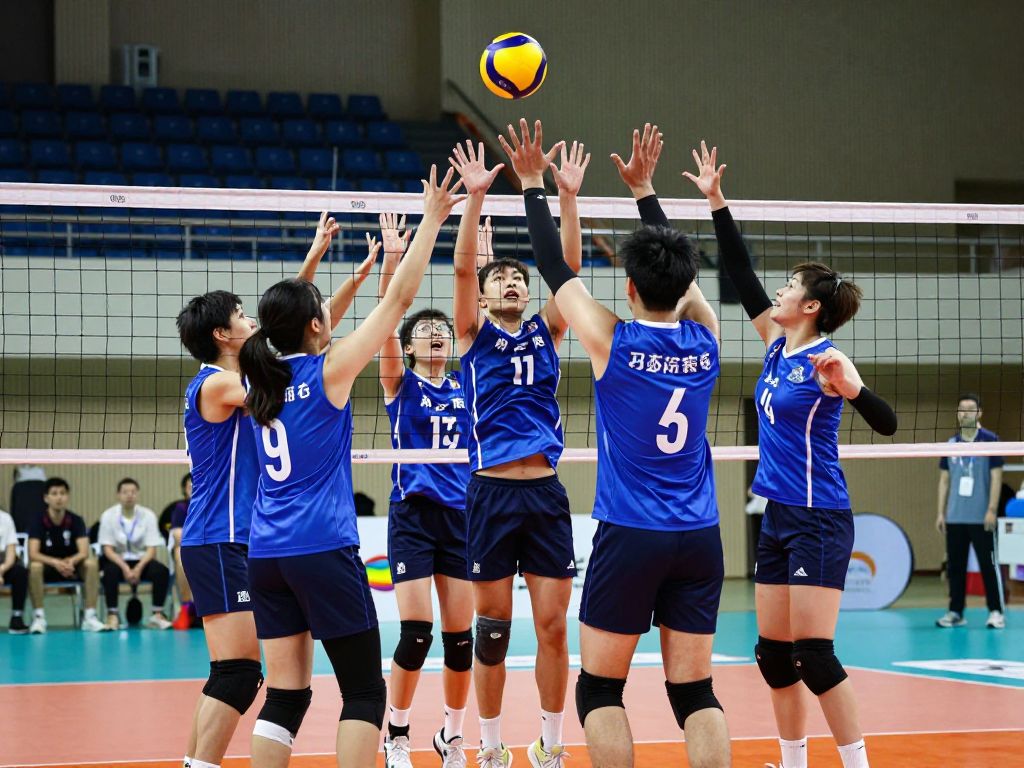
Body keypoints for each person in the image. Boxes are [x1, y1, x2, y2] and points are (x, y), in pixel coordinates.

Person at [683, 136, 897, 768]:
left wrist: (854, 389)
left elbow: (883, 423)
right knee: (773, 656)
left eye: (789, 288)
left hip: (819, 516)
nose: (776, 293)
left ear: (809, 307)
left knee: (815, 652)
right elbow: (743, 279)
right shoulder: (778, 348)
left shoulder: (826, 359)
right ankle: (794, 760)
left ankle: (856, 763)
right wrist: (718, 202)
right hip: (778, 512)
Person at [523, 119, 731, 768]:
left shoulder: (614, 341)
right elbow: (684, 273)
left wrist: (535, 183)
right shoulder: (707, 340)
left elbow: (555, 269)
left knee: (600, 688)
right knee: (695, 689)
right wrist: (645, 192)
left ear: (631, 289)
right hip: (700, 536)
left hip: (631, 532)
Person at [239, 167, 463, 768]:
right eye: (321, 313)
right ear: (317, 326)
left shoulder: (253, 379)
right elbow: (400, 303)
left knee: (285, 695)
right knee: (364, 691)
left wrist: (313, 272)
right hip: (322, 549)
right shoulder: (328, 371)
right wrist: (434, 220)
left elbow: (279, 327)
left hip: (267, 554)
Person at [175, 210, 376, 768]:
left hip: (251, 540)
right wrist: (316, 307)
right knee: (239, 674)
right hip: (221, 536)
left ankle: (197, 765)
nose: (251, 322)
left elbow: (291, 340)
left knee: (250, 678)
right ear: (222, 334)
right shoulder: (219, 384)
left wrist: (319, 271)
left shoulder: (249, 373)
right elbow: (295, 359)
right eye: (242, 316)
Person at [448, 133, 581, 768]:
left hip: (546, 492)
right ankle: (492, 747)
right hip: (493, 490)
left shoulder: (548, 329)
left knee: (555, 628)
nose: (507, 282)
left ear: (527, 293)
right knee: (493, 630)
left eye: (515, 279)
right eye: (498, 277)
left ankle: (551, 748)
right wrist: (475, 201)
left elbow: (569, 273)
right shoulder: (471, 334)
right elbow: (463, 270)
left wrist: (568, 200)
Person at [375, 212, 474, 768]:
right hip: (412, 514)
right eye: (423, 332)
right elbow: (388, 320)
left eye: (440, 332)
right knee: (416, 632)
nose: (435, 334)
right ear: (410, 347)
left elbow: (478, 324)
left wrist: (479, 258)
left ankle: (451, 737)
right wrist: (393, 262)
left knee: (462, 640)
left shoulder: (466, 386)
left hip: (461, 516)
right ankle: (397, 733)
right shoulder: (401, 383)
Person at [935, 393, 1005, 629]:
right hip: (955, 517)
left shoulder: (991, 440)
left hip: (981, 517)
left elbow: (996, 478)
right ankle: (956, 612)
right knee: (956, 567)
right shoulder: (951, 444)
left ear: (979, 413)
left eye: (970, 409)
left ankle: (996, 611)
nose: (965, 412)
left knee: (988, 566)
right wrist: (941, 513)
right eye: (961, 409)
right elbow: (944, 480)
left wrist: (992, 510)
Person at [26, 478, 107, 633]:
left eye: (62, 493)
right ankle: (39, 618)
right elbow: (33, 553)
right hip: (48, 566)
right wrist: (56, 562)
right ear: (46, 498)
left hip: (72, 566)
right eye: (54, 494)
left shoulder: (76, 520)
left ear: (68, 496)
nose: (59, 497)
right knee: (34, 567)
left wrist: (70, 562)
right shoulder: (37, 521)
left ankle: (90, 616)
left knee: (91, 563)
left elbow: (83, 551)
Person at [98, 478, 172, 630]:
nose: (129, 495)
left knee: (161, 571)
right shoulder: (108, 516)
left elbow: (152, 549)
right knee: (109, 572)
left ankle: (157, 614)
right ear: (118, 495)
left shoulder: (148, 515)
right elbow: (107, 549)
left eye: (133, 492)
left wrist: (138, 568)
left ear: (137, 494)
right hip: (118, 561)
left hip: (142, 560)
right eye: (125, 492)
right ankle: (112, 615)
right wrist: (125, 568)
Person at [162, 473, 197, 630]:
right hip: (192, 548)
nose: (193, 488)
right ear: (184, 489)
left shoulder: (213, 504)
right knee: (180, 552)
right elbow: (177, 536)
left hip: (210, 549)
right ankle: (186, 606)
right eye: (190, 486)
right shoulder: (181, 508)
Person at [1, 506, 29, 634]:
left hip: (3, 561)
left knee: (20, 572)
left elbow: (11, 552)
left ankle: (16, 617)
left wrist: (1, 570)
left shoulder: (5, 518)